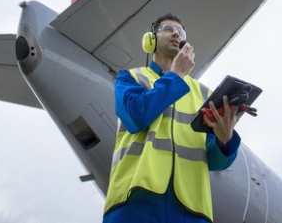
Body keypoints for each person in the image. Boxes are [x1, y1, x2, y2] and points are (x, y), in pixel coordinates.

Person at [102, 13, 242, 223]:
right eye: (168, 29)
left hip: (192, 208)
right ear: (150, 39)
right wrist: (175, 76)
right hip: (136, 199)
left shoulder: (205, 95)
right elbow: (135, 116)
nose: (176, 33)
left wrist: (225, 140)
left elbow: (215, 162)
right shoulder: (130, 78)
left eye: (181, 32)